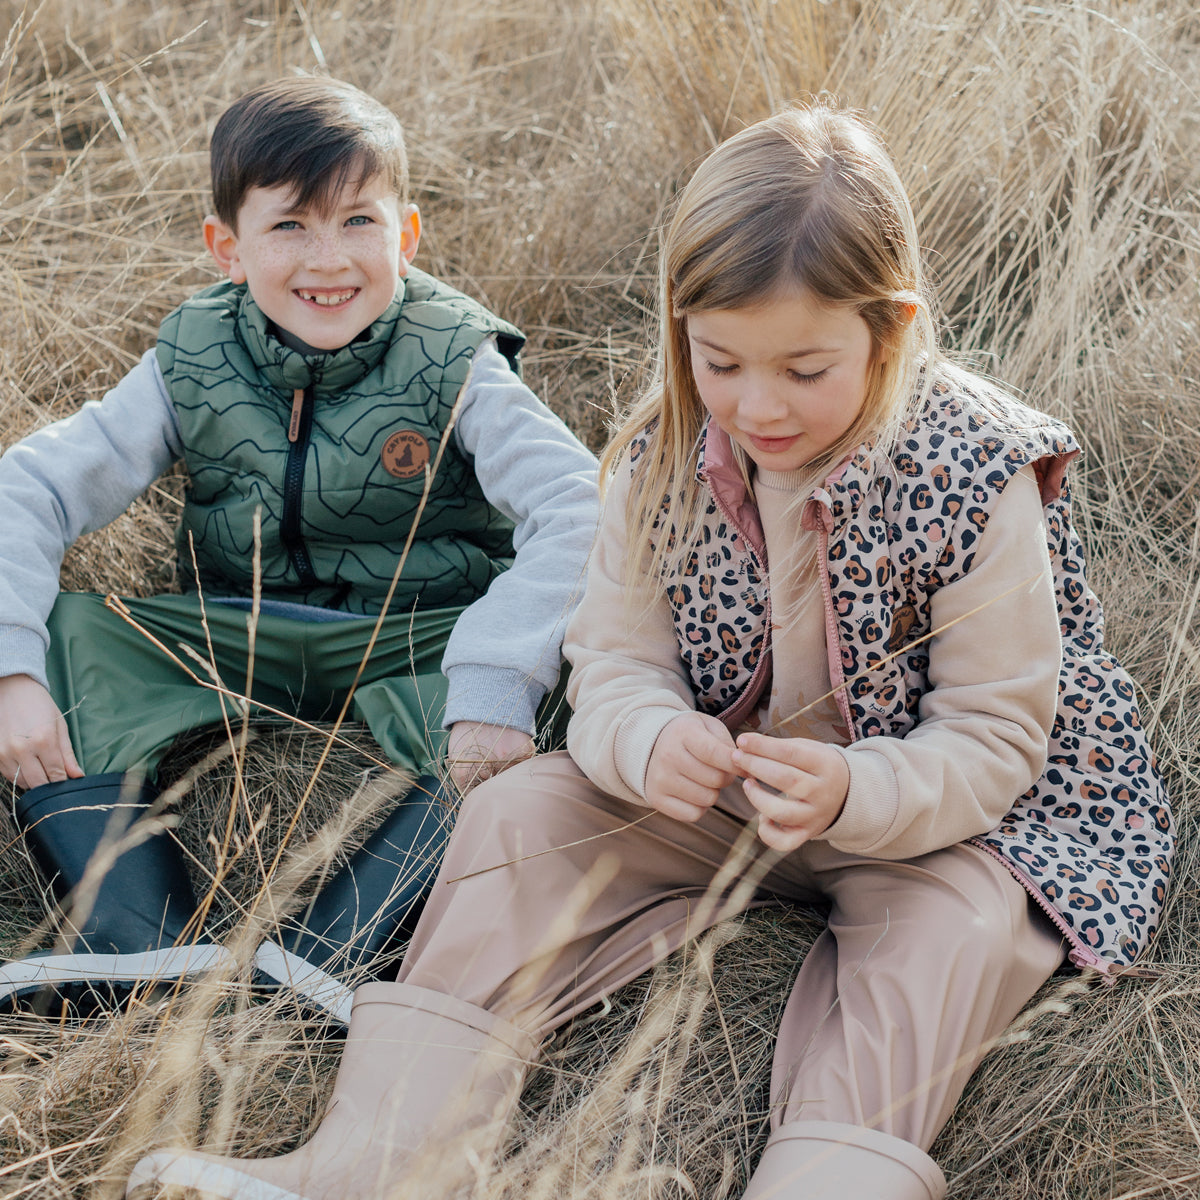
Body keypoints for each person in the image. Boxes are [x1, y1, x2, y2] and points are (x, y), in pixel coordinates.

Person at [127, 103, 1173, 1200]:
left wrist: (858, 791)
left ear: (893, 331)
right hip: (724, 785)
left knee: (953, 934)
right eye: (720, 360)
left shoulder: (976, 473)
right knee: (518, 815)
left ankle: (822, 1178)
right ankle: (377, 1159)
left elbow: (995, 734)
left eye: (806, 372)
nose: (757, 406)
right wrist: (648, 736)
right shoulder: (666, 447)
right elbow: (617, 661)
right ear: (681, 329)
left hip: (939, 816)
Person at [0, 76, 598, 1018]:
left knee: (562, 689)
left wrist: (494, 679)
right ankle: (133, 939)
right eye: (289, 228)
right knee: (69, 637)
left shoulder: (456, 360)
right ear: (228, 248)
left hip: (417, 634)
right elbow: (31, 485)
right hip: (238, 624)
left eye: (359, 222)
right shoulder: (194, 354)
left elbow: (580, 506)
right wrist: (11, 674)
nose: (330, 260)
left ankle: (327, 957)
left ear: (404, 235)